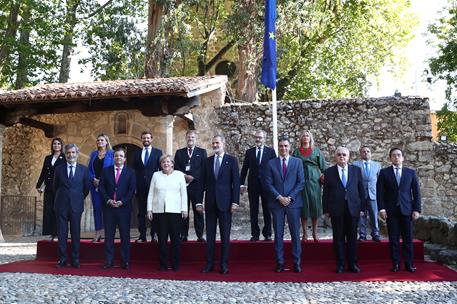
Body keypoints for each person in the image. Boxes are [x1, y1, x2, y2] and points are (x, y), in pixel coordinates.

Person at [263, 136, 305, 273]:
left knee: (295, 234)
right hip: (277, 203)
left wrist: (290, 197)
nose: (283, 148)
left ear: (290, 147)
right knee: (278, 234)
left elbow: (301, 182)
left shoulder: (297, 162)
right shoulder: (271, 163)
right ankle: (280, 263)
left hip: (293, 204)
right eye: (281, 146)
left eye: (286, 146)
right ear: (278, 147)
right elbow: (268, 183)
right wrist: (279, 197)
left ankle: (296, 263)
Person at [377, 148, 421, 273]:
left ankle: (409, 264)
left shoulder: (410, 173)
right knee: (394, 239)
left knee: (408, 239)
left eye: (398, 155)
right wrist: (381, 209)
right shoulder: (384, 173)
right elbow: (380, 193)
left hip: (407, 211)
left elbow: (416, 193)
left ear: (402, 157)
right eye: (394, 155)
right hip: (391, 211)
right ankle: (395, 264)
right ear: (390, 158)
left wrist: (416, 209)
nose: (396, 157)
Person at [201, 134, 240, 275]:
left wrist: (235, 201)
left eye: (217, 143)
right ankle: (209, 264)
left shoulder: (232, 161)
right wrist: (199, 201)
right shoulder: (207, 161)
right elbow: (202, 183)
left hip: (226, 204)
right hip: (210, 204)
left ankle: (224, 264)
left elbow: (236, 183)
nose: (215, 145)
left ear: (223, 143)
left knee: (225, 236)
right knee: (210, 236)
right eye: (213, 143)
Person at [323, 146, 365, 273]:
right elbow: (326, 193)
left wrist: (362, 208)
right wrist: (326, 209)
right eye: (339, 154)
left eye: (344, 155)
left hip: (353, 209)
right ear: (335, 157)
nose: (342, 157)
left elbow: (361, 190)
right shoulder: (329, 172)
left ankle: (353, 264)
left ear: (348, 157)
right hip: (336, 209)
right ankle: (340, 264)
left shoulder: (356, 170)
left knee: (352, 238)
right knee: (338, 238)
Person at [147, 155, 188, 271]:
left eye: (168, 162)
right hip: (159, 211)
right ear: (161, 164)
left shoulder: (179, 175)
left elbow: (183, 193)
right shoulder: (156, 175)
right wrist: (149, 209)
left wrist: (184, 209)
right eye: (163, 162)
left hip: (175, 211)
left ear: (172, 164)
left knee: (175, 239)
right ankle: (163, 264)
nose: (166, 164)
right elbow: (151, 194)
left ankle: (175, 264)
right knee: (162, 239)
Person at [53, 144, 90, 268]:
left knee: (75, 233)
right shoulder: (58, 169)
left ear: (77, 154)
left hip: (76, 205)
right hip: (61, 205)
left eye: (73, 153)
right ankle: (62, 259)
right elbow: (55, 187)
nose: (71, 155)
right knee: (62, 233)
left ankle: (75, 259)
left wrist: (77, 198)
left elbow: (86, 189)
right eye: (68, 153)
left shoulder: (83, 170)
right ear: (65, 154)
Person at [99, 147, 136, 270]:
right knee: (109, 236)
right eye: (116, 156)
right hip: (109, 208)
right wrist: (108, 200)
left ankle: (125, 261)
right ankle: (109, 261)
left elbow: (131, 190)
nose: (118, 158)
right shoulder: (105, 171)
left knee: (125, 236)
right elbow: (102, 188)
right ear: (113, 158)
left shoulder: (130, 172)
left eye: (121, 156)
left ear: (124, 159)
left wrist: (122, 202)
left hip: (123, 209)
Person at [240, 130, 276, 242]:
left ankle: (268, 233)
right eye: (256, 137)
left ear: (265, 138)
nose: (258, 139)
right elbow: (244, 169)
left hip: (267, 186)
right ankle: (255, 234)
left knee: (267, 210)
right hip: (253, 185)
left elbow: (275, 169)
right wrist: (241, 184)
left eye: (260, 137)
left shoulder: (270, 152)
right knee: (253, 210)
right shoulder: (249, 152)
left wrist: (275, 185)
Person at [293, 130, 327, 242]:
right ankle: (305, 233)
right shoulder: (296, 152)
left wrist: (324, 176)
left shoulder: (316, 151)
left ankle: (314, 233)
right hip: (301, 179)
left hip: (314, 180)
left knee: (315, 205)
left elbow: (323, 167)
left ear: (310, 138)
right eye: (303, 136)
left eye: (307, 135)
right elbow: (292, 168)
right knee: (303, 206)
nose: (305, 137)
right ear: (301, 138)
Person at [174, 130, 207, 242]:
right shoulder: (179, 152)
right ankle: (184, 235)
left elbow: (204, 168)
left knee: (198, 211)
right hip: (183, 186)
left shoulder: (202, 152)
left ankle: (199, 235)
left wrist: (193, 177)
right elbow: (176, 168)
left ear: (196, 138)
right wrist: (184, 175)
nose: (190, 139)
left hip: (197, 186)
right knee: (183, 211)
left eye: (192, 137)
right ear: (186, 138)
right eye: (188, 137)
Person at [134, 130, 162, 243]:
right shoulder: (136, 153)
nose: (146, 140)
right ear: (141, 139)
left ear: (151, 139)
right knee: (141, 212)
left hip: (154, 187)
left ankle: (154, 234)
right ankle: (142, 235)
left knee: (154, 211)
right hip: (140, 187)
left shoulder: (158, 152)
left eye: (148, 138)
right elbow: (133, 171)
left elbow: (161, 170)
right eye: (144, 138)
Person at [36, 137, 66, 241]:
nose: (56, 146)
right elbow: (43, 172)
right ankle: (51, 233)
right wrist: (39, 185)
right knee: (49, 211)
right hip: (48, 188)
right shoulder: (48, 158)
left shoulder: (64, 158)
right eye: (54, 144)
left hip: (59, 188)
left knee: (58, 210)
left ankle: (58, 233)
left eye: (58, 144)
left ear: (61, 146)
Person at [87, 134, 114, 242]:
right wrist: (93, 179)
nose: (99, 142)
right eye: (98, 140)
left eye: (102, 140)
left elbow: (113, 169)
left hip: (107, 187)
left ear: (107, 142)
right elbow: (89, 169)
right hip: (95, 187)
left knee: (107, 210)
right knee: (97, 209)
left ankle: (108, 233)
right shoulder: (93, 154)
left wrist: (102, 181)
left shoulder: (111, 154)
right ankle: (98, 233)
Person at [353, 146, 381, 242]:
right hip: (360, 194)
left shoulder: (377, 165)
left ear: (371, 153)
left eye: (368, 151)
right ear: (360, 153)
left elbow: (379, 180)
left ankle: (376, 233)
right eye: (363, 151)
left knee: (374, 214)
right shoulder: (355, 164)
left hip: (373, 194)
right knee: (361, 215)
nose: (366, 153)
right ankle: (362, 234)